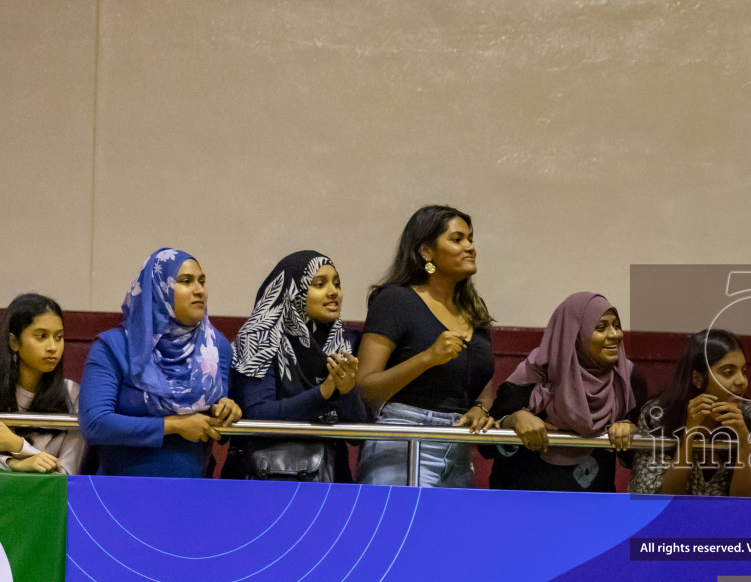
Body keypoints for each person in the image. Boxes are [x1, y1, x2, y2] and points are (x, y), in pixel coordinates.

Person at [356, 206, 495, 488]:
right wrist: (428, 357)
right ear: (426, 252)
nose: (470, 247)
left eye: (470, 239)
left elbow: (483, 388)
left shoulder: (474, 310)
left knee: (451, 533)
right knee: (400, 531)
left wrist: (480, 409)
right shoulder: (395, 300)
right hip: (403, 438)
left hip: (458, 445)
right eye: (457, 239)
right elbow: (365, 388)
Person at [79, 248, 239, 477]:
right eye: (185, 281)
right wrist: (173, 425)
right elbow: (95, 423)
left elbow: (219, 432)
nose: (199, 290)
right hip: (119, 490)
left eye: (202, 282)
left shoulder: (216, 347)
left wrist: (226, 411)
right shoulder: (115, 346)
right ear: (158, 289)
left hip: (190, 491)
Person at [226, 251, 365, 482]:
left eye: (337, 284)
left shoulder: (345, 342)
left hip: (329, 477)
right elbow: (258, 415)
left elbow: (358, 435)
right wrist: (324, 393)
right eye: (319, 284)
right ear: (292, 291)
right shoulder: (260, 336)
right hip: (264, 477)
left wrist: (347, 390)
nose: (334, 292)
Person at [488, 291, 646, 492]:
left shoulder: (626, 378)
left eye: (616, 326)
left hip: (593, 503)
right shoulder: (537, 372)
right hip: (524, 499)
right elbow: (487, 446)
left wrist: (631, 430)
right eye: (600, 328)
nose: (615, 335)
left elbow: (638, 457)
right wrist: (513, 420)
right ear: (574, 334)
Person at [629, 328, 751, 497]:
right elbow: (663, 496)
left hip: (729, 519)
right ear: (697, 378)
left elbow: (747, 501)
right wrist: (689, 433)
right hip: (673, 518)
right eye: (728, 372)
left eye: (744, 371)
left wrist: (744, 442)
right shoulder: (657, 414)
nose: (741, 381)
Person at [0, 293, 84, 474]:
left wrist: (18, 446)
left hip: (48, 498)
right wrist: (12, 463)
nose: (52, 347)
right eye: (41, 336)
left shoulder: (73, 393)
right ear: (14, 342)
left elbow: (65, 473)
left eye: (59, 337)